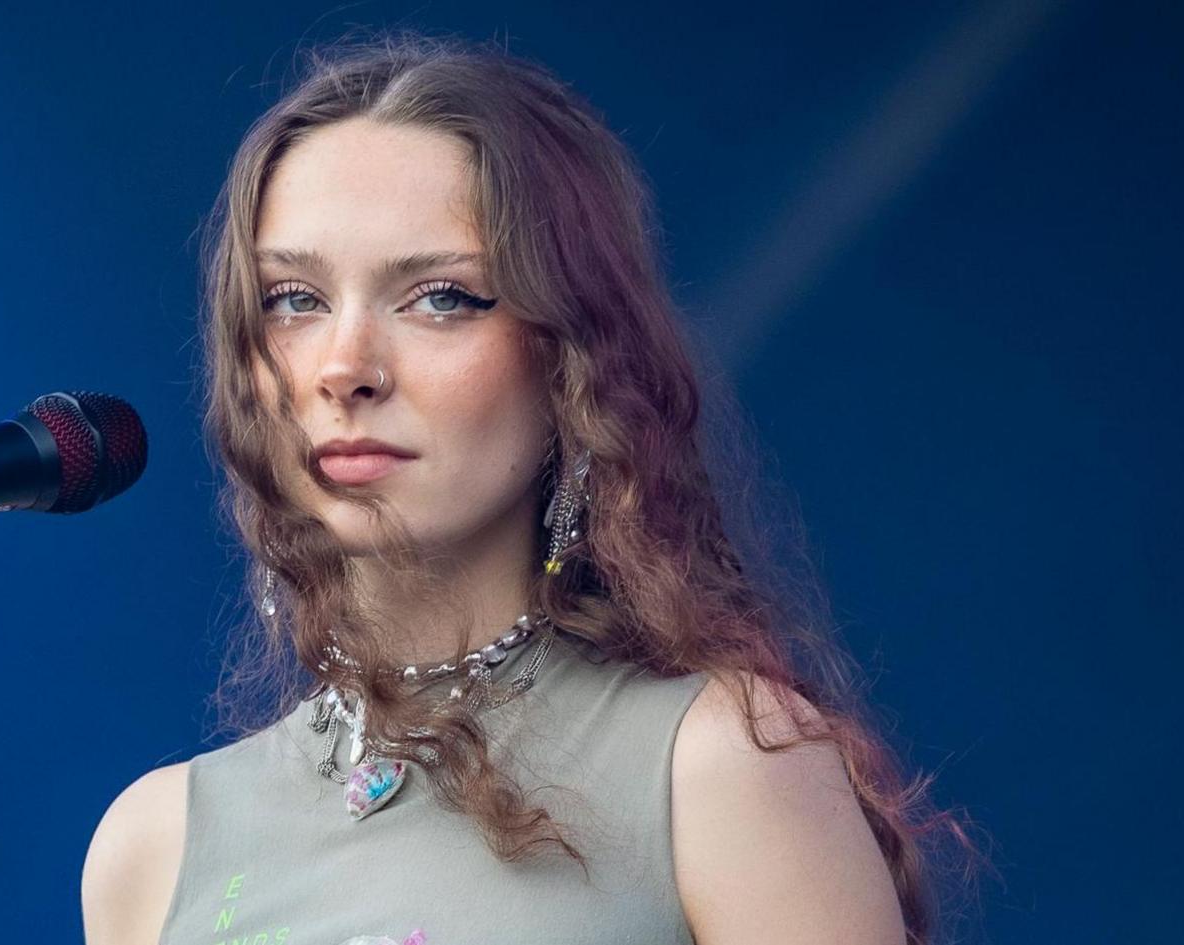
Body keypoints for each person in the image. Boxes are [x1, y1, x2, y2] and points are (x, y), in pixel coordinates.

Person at [83, 31, 980, 945]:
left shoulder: (715, 767)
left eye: (439, 296)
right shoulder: (155, 846)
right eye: (293, 300)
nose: (343, 366)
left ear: (570, 361)